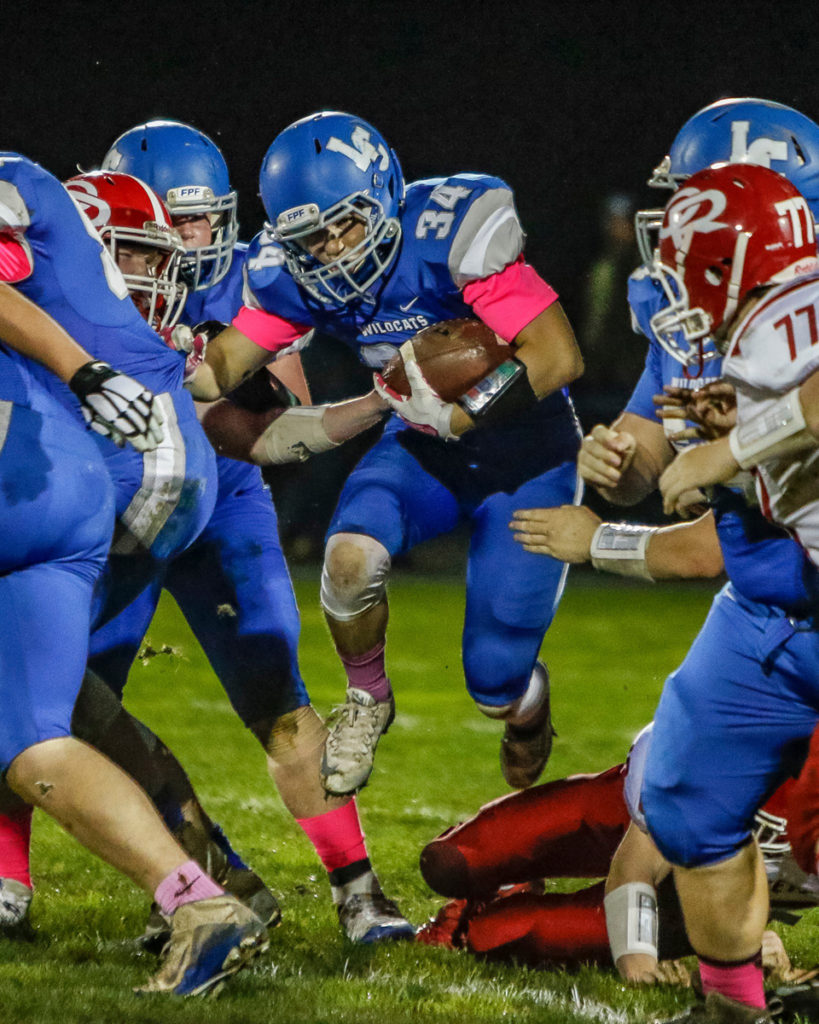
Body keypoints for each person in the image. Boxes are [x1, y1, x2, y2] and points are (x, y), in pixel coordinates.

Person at [508, 99, 819, 1023]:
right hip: (768, 607)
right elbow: (661, 452)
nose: (670, 238)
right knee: (684, 801)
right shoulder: (700, 308)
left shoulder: (800, 294)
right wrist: (625, 461)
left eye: (698, 206)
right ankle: (731, 1005)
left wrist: (728, 451)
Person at [186, 110, 585, 800]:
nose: (334, 249)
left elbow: (557, 356)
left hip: (528, 455)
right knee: (349, 558)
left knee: (494, 685)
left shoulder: (448, 230)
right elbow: (220, 366)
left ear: (385, 192)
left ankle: (524, 712)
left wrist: (461, 411)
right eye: (312, 236)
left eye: (345, 223)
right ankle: (367, 696)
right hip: (422, 445)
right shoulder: (294, 275)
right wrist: (158, 349)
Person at [74, 138, 414, 944]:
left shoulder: (255, 273)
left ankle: (358, 893)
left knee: (277, 698)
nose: (196, 242)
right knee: (73, 704)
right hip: (110, 508)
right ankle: (211, 880)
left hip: (217, 492)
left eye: (206, 220)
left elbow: (267, 421)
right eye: (175, 223)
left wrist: (369, 404)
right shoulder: (72, 277)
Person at [0, 196, 267, 994]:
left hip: (22, 466)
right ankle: (199, 901)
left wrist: (84, 369)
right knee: (38, 738)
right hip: (71, 482)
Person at [415, 723, 817, 985]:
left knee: (494, 933)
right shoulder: (736, 746)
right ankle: (500, 882)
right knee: (450, 861)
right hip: (629, 815)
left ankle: (495, 906)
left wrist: (741, 949)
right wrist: (639, 964)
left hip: (694, 902)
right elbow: (636, 865)